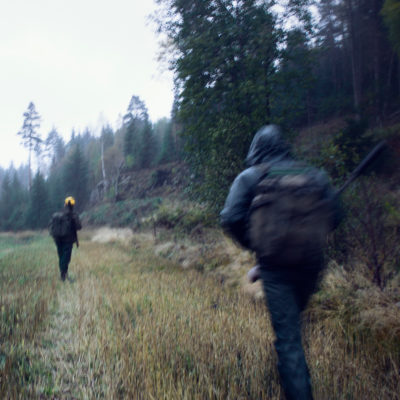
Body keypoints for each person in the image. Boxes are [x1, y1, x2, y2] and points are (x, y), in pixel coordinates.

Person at [220, 125, 341, 400]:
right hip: (311, 266)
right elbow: (336, 216)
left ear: (256, 150)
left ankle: (295, 384)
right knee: (293, 326)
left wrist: (256, 244)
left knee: (289, 341)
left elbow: (229, 217)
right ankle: (291, 375)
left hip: (275, 269)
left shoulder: (250, 177)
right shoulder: (314, 175)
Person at [51, 196, 82, 281]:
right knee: (66, 257)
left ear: (65, 204)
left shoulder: (58, 214)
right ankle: (63, 275)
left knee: (61, 256)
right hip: (67, 240)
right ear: (73, 205)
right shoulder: (73, 215)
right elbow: (79, 227)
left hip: (57, 239)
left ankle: (63, 274)